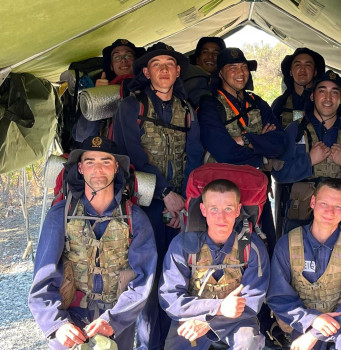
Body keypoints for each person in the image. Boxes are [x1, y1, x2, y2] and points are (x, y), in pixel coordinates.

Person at [113, 42, 204, 349]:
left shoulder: (187, 110)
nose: (164, 69)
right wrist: (166, 192)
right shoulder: (131, 106)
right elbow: (131, 154)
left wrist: (184, 199)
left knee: (176, 276)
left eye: (170, 64)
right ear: (146, 72)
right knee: (147, 281)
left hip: (180, 205)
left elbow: (194, 155)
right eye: (157, 64)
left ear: (178, 71)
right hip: (144, 205)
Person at [28, 135, 156, 350]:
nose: (98, 169)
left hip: (116, 321)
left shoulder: (136, 218)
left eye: (106, 161)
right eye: (90, 162)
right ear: (80, 168)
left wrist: (114, 320)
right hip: (69, 317)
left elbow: (144, 280)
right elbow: (42, 279)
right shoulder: (60, 215)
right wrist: (57, 324)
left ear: (116, 167)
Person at [159, 179, 270, 349]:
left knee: (248, 342)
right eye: (214, 209)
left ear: (238, 210)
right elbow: (170, 298)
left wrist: (209, 322)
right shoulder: (183, 245)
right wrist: (215, 309)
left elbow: (253, 300)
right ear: (203, 209)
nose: (221, 217)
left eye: (228, 208)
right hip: (191, 317)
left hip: (236, 319)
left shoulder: (249, 246)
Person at [267, 178, 341, 350]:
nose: (330, 212)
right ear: (312, 202)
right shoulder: (286, 244)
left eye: (337, 206)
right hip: (303, 323)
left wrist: (316, 333)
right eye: (324, 203)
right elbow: (278, 296)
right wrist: (311, 320)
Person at [198, 47, 288, 249]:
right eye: (232, 68)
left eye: (244, 67)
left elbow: (280, 143)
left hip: (255, 188)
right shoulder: (210, 104)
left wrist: (244, 139)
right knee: (226, 245)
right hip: (222, 191)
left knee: (262, 244)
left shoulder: (257, 102)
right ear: (220, 72)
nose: (240, 73)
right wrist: (259, 145)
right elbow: (224, 150)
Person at [273, 70, 341, 235]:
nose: (328, 98)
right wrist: (308, 161)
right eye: (322, 91)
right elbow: (280, 175)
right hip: (300, 216)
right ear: (312, 96)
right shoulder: (295, 129)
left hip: (337, 216)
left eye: (334, 92)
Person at [73, 39, 145, 143]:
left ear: (136, 62)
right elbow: (82, 137)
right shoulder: (99, 89)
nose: (123, 60)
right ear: (111, 66)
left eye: (128, 56)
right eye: (117, 57)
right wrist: (97, 98)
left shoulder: (149, 88)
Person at [272, 47, 326, 129]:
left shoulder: (326, 102)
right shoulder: (280, 104)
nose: (302, 69)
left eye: (308, 65)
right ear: (290, 72)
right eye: (297, 65)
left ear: (315, 72)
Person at [183, 37, 227, 107]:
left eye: (215, 53)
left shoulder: (221, 81)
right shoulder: (193, 81)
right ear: (197, 59)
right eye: (205, 52)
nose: (210, 56)